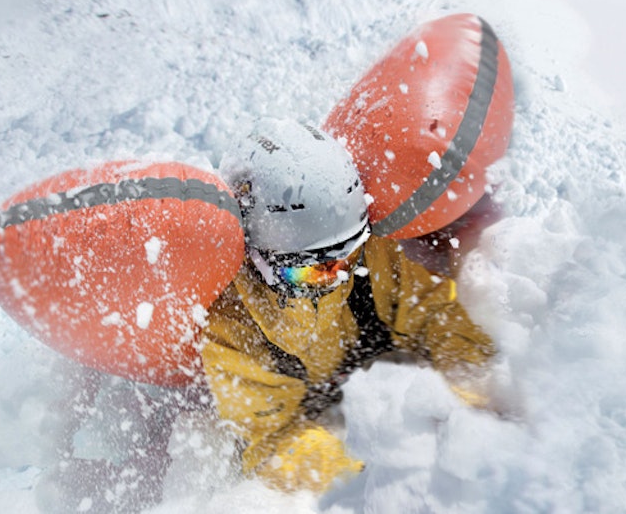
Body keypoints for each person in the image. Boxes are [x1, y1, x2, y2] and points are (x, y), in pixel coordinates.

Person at [202, 118, 498, 494]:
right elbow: (275, 442)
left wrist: (473, 388)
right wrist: (368, 476)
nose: (336, 276)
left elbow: (435, 314)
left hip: (380, 392)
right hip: (329, 437)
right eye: (312, 272)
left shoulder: (365, 253)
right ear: (258, 260)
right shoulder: (232, 328)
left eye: (345, 258)